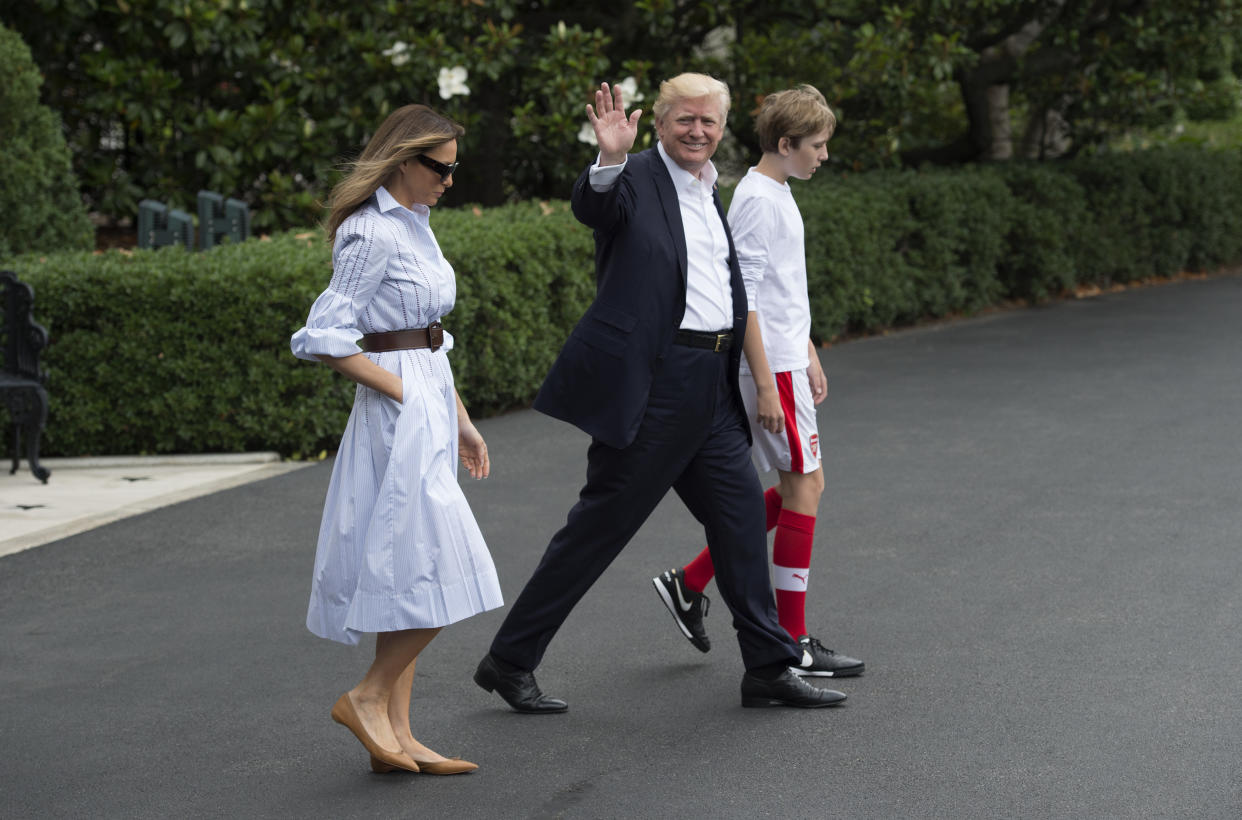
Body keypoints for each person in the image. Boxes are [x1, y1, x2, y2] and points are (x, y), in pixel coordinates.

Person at [473, 74, 846, 712]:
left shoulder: (711, 189)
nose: (697, 131)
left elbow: (731, 288)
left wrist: (768, 365)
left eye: (708, 121)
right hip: (655, 387)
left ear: (722, 128)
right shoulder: (634, 178)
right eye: (684, 120)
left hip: (712, 386)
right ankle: (509, 660)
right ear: (661, 123)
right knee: (599, 528)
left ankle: (768, 665)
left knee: (736, 524)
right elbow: (595, 209)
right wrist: (610, 155)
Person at [290, 104, 502, 775]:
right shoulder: (369, 232)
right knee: (444, 563)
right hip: (397, 413)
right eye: (439, 168)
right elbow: (324, 338)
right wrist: (409, 396)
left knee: (411, 569)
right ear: (403, 160)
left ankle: (398, 736)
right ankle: (368, 696)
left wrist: (458, 416)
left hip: (428, 401)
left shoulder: (417, 225)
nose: (447, 181)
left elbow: (428, 336)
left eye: (453, 169)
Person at [651, 85, 865, 680]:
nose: (823, 155)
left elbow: (779, 292)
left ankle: (690, 584)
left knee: (804, 486)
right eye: (817, 145)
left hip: (787, 361)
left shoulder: (775, 190)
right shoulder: (758, 200)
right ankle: (791, 639)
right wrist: (769, 383)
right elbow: (741, 298)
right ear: (785, 142)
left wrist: (810, 349)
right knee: (805, 490)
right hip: (770, 369)